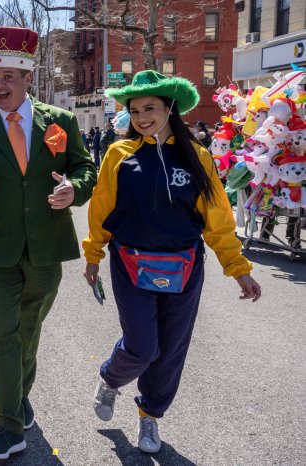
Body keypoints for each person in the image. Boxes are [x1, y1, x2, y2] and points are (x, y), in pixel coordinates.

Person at [82, 70, 261, 454]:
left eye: (150, 108)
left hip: (184, 266)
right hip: (130, 263)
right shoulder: (118, 154)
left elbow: (217, 219)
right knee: (143, 347)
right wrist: (93, 255)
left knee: (171, 349)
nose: (142, 117)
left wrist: (239, 269)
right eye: (134, 110)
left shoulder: (197, 157)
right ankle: (110, 379)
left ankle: (150, 417)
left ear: (169, 109)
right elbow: (101, 209)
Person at [0, 26, 97, 459]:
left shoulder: (61, 122)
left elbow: (85, 168)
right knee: (2, 333)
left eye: (8, 77)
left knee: (27, 332)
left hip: (46, 248)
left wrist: (75, 188)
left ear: (27, 78)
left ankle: (16, 400)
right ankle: (8, 424)